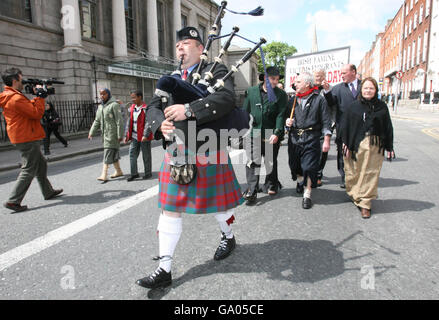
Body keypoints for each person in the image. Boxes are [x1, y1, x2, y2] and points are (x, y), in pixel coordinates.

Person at [135, 26, 244, 289]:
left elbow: (226, 98)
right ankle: (164, 268)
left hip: (208, 148)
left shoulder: (215, 70)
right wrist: (160, 123)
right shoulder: (171, 77)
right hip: (177, 151)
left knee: (220, 206)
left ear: (200, 47)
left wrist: (189, 109)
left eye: (186, 43)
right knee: (169, 208)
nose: (181, 48)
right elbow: (152, 106)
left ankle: (228, 236)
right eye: (178, 45)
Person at [0, 68, 63, 213]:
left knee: (41, 163)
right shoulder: (15, 98)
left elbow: (28, 109)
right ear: (15, 81)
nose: (24, 82)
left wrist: (37, 97)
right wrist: (40, 97)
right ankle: (13, 200)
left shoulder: (9, 95)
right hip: (26, 136)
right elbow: (35, 113)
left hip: (22, 134)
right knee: (29, 168)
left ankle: (47, 191)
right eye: (21, 80)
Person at [339, 77, 395, 219]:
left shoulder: (382, 107)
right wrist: (344, 142)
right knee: (353, 172)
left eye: (371, 88)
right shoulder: (353, 107)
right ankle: (355, 193)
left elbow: (388, 126)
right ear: (361, 90)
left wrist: (389, 146)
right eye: (365, 88)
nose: (368, 90)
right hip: (355, 144)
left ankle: (365, 203)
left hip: (375, 144)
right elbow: (344, 126)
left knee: (370, 173)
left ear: (375, 90)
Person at [285, 73, 332, 209]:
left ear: (307, 84)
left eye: (298, 81)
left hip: (311, 138)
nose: (295, 84)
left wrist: (327, 140)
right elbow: (285, 118)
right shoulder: (292, 100)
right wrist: (287, 122)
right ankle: (300, 181)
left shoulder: (319, 100)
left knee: (308, 167)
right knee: (295, 166)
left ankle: (307, 193)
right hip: (294, 138)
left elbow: (326, 121)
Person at [242, 66, 287, 205]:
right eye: (272, 78)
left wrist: (277, 132)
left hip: (270, 132)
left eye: (277, 79)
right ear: (265, 78)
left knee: (269, 162)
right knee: (253, 161)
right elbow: (245, 111)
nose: (275, 82)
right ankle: (252, 190)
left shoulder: (281, 95)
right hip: (254, 131)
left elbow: (280, 115)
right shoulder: (252, 91)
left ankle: (271, 184)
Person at [324, 64, 361, 189]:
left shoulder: (364, 86)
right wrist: (327, 91)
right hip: (343, 127)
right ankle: (345, 177)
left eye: (344, 73)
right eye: (341, 73)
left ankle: (358, 176)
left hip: (361, 127)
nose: (342, 75)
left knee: (359, 152)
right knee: (343, 153)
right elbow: (331, 103)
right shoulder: (338, 88)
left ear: (353, 72)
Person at [88, 88, 124, 183]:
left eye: (104, 94)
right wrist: (91, 132)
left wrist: (120, 135)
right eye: (100, 94)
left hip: (113, 135)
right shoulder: (100, 107)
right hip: (105, 134)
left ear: (108, 94)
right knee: (114, 153)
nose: (102, 96)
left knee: (108, 152)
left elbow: (119, 121)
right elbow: (97, 121)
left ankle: (104, 174)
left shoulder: (114, 105)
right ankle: (119, 171)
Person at [124, 90, 153, 181]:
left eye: (134, 97)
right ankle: (134, 174)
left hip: (144, 136)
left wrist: (145, 135)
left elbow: (148, 123)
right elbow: (129, 122)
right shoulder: (132, 108)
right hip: (134, 136)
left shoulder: (146, 108)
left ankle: (148, 173)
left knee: (146, 155)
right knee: (132, 154)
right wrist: (126, 135)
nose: (132, 100)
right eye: (131, 98)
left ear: (140, 97)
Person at [313, 69, 334, 187]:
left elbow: (332, 103)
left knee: (322, 150)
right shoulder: (308, 87)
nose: (319, 78)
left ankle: (318, 174)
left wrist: (327, 91)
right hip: (310, 125)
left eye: (321, 76)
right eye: (316, 76)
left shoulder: (329, 88)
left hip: (324, 124)